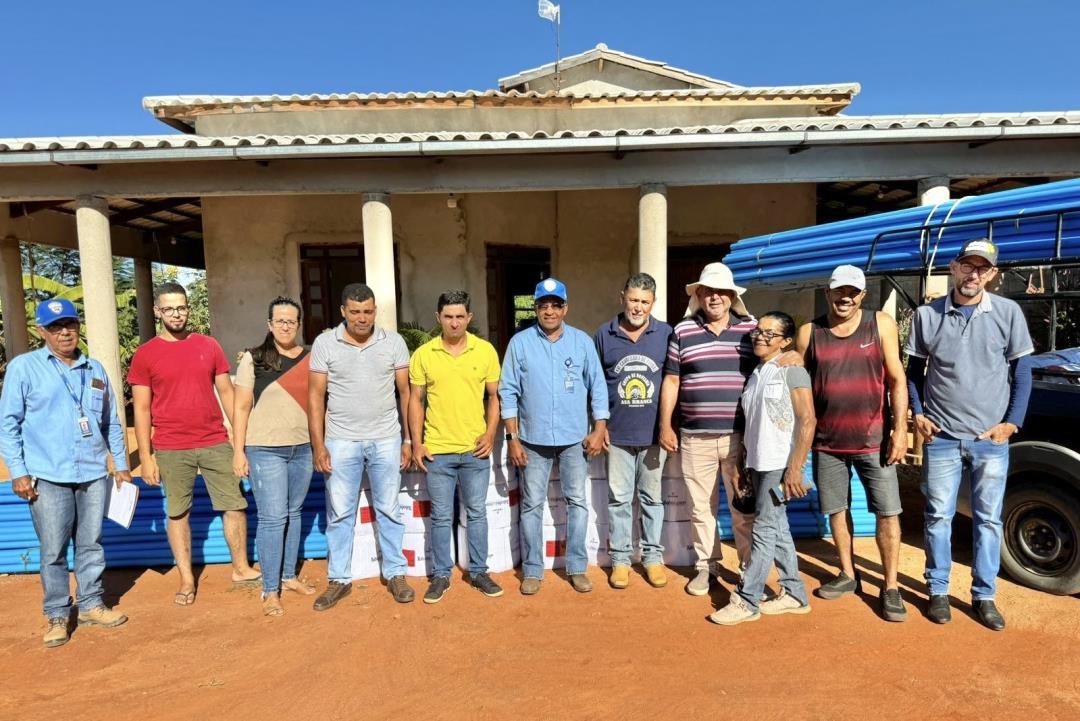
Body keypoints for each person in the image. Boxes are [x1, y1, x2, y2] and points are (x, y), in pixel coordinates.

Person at [906, 238, 1033, 631]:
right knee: (937, 517)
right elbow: (914, 372)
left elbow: (1022, 373)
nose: (973, 274)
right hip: (942, 437)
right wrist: (918, 413)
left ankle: (984, 596)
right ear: (954, 268)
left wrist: (1011, 422)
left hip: (989, 440)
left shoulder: (1008, 313)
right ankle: (938, 591)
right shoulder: (927, 316)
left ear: (992, 274)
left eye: (982, 268)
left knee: (989, 521)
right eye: (967, 265)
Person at [0, 299, 131, 647]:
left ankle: (90, 604)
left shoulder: (94, 369)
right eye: (55, 327)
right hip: (48, 475)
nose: (64, 333)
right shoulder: (24, 368)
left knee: (91, 543)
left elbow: (111, 422)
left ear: (78, 327)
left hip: (92, 472)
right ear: (41, 331)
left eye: (70, 324)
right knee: (53, 550)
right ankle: (57, 614)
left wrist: (120, 464)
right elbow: (8, 424)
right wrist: (18, 472)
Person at [129, 282, 261, 607]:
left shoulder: (208, 346)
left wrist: (239, 439)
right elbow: (141, 409)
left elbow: (227, 393)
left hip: (215, 440)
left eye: (181, 307)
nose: (177, 314)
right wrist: (146, 456)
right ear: (158, 311)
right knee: (178, 513)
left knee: (234, 504)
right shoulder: (146, 354)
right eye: (169, 308)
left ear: (188, 308)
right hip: (171, 446)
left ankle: (241, 568)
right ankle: (186, 578)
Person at [795, 265, 910, 622]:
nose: (845, 298)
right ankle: (848, 573)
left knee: (887, 512)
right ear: (827, 293)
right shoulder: (810, 332)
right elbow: (798, 386)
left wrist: (900, 431)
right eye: (839, 291)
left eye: (853, 292)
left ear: (862, 295)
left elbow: (897, 379)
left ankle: (890, 586)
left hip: (874, 441)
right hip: (827, 443)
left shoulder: (881, 324)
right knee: (836, 509)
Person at [500, 278, 609, 595]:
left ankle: (577, 567)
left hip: (574, 438)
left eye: (555, 305)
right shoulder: (520, 344)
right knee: (532, 504)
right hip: (532, 440)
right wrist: (512, 438)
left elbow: (597, 386)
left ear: (565, 308)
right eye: (543, 305)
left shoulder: (581, 342)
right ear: (535, 308)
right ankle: (533, 570)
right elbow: (508, 392)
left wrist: (599, 427)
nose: (549, 311)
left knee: (577, 502)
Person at [309, 283, 414, 609]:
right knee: (340, 513)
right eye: (355, 312)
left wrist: (408, 439)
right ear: (343, 311)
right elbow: (315, 396)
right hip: (340, 440)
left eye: (368, 311)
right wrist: (318, 445)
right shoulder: (325, 343)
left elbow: (406, 393)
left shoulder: (393, 342)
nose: (362, 318)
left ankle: (396, 573)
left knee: (389, 509)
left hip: (386, 439)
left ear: (375, 311)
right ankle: (339, 579)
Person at [658, 262, 758, 596]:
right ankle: (706, 566)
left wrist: (792, 358)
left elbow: (773, 363)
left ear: (732, 296)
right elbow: (672, 381)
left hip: (739, 438)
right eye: (708, 292)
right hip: (694, 437)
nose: (714, 297)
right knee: (700, 508)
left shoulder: (752, 329)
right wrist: (665, 425)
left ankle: (749, 570)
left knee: (743, 509)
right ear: (699, 295)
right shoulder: (683, 331)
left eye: (721, 292)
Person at [709, 312, 815, 625]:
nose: (760, 337)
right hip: (758, 462)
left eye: (770, 333)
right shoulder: (757, 373)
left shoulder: (792, 370)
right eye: (758, 331)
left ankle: (747, 600)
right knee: (777, 527)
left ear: (786, 341)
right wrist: (743, 463)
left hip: (779, 464)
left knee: (765, 530)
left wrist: (795, 468)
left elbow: (808, 420)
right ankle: (795, 593)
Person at [408, 290, 503, 603]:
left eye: (460, 316)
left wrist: (490, 434)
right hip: (438, 451)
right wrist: (417, 443)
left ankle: (479, 571)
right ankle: (440, 575)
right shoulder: (424, 354)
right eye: (448, 316)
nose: (454, 322)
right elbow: (415, 400)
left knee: (476, 513)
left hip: (475, 450)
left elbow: (495, 396)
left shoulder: (484, 351)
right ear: (438, 318)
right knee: (440, 516)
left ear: (469, 318)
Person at [232, 296, 314, 617]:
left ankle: (288, 576)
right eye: (280, 321)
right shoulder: (253, 359)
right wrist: (238, 451)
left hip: (303, 448)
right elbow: (241, 407)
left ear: (299, 324)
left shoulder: (310, 358)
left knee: (294, 512)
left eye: (291, 321)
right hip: (264, 449)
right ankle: (269, 589)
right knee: (272, 518)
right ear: (269, 324)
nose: (285, 326)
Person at [593, 273, 673, 589]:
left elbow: (674, 381)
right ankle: (621, 561)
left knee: (652, 499)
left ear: (653, 303)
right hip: (618, 435)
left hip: (653, 435)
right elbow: (595, 384)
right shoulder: (604, 334)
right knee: (619, 500)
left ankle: (652, 558)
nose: (638, 307)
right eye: (633, 300)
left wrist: (668, 426)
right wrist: (599, 424)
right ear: (622, 297)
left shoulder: (666, 334)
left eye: (644, 302)